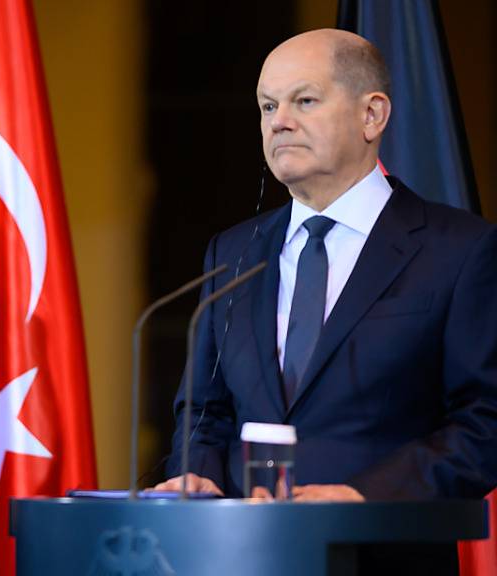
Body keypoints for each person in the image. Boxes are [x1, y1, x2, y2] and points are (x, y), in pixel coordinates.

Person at [154, 28, 497, 572]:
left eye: (305, 100)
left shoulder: (459, 250)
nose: (279, 121)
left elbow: (485, 420)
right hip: (241, 557)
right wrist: (197, 476)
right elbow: (204, 409)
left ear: (372, 115)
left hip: (383, 558)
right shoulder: (234, 252)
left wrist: (363, 496)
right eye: (268, 106)